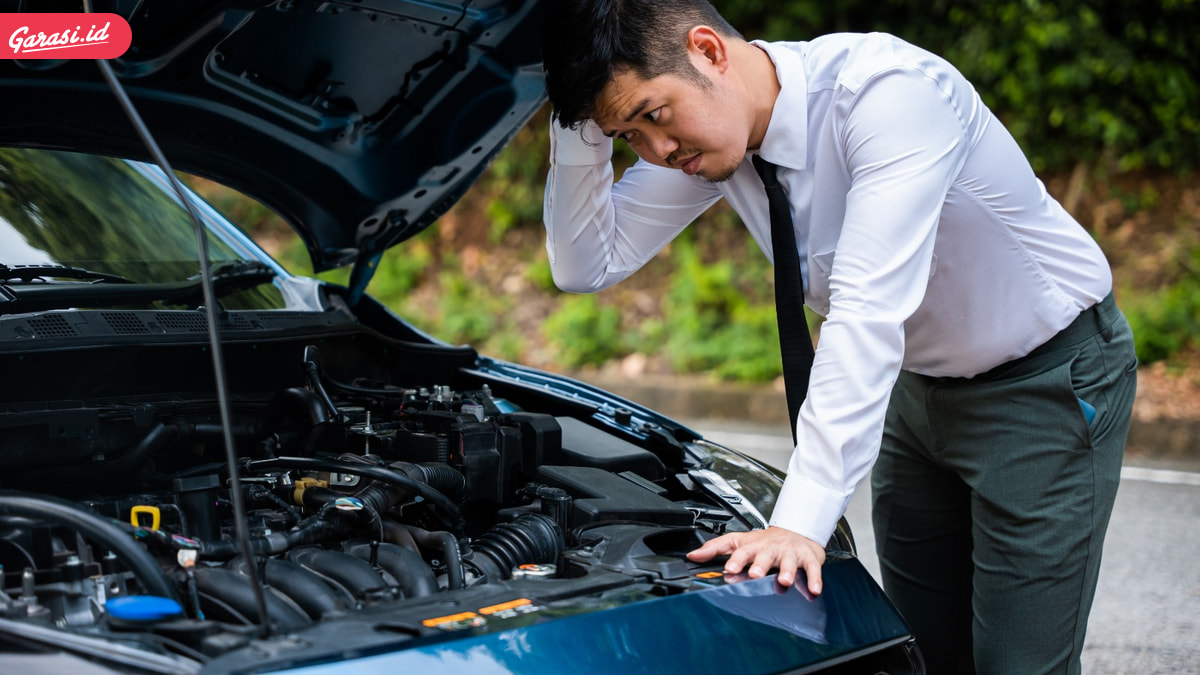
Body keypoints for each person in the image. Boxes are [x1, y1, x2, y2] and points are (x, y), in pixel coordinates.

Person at [539, 1, 1137, 673]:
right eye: (628, 138)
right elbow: (587, 263)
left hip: (1044, 386)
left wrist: (796, 523)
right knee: (922, 649)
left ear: (708, 50)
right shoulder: (717, 139)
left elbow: (865, 311)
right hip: (916, 390)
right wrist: (578, 125)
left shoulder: (889, 97)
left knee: (1018, 665)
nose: (656, 151)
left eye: (651, 115)